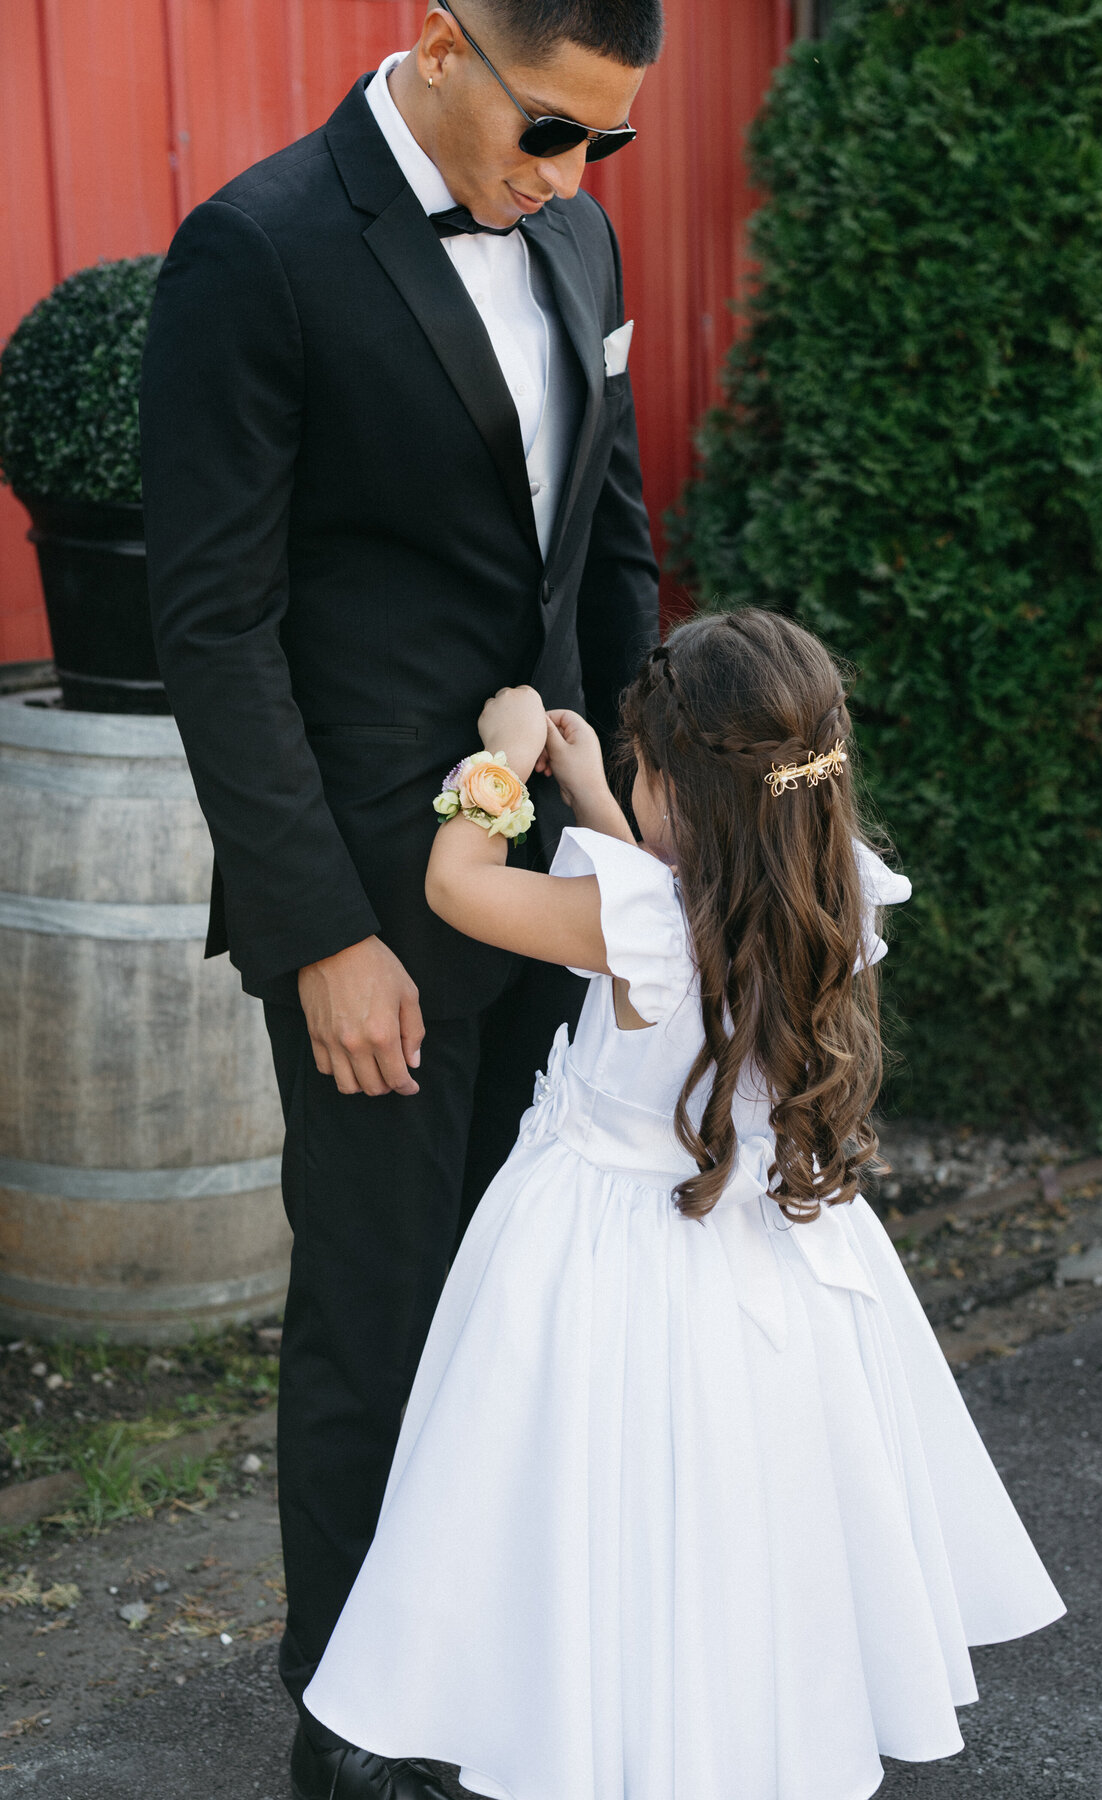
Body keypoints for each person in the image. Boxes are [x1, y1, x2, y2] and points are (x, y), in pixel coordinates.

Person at [138, 3, 663, 1795]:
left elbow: (610, 533)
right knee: (382, 1310)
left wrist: (639, 838)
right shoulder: (259, 250)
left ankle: (496, 1651)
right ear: (440, 44)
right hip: (371, 895)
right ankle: (353, 1718)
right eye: (544, 131)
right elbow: (208, 622)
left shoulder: (574, 227)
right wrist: (321, 937)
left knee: (534, 1299)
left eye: (600, 142)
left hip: (559, 887)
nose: (566, 174)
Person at [302, 609, 1065, 1800]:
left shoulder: (641, 922)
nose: (634, 789)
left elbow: (458, 887)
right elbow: (669, 900)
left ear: (685, 791)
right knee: (731, 1512)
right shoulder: (832, 889)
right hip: (761, 1253)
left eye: (644, 770)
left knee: (593, 1499)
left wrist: (495, 765)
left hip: (607, 1256)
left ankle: (585, 1732)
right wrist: (596, 794)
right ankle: (731, 1738)